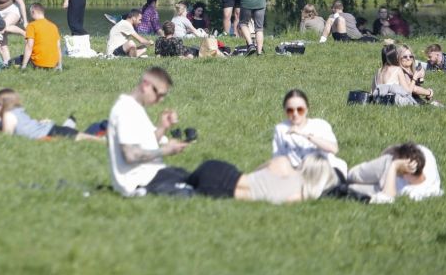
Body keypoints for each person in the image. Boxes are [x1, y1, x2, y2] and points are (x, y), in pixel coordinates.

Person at [107, 67, 336, 202]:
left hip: (157, 173)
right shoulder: (125, 110)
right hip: (141, 182)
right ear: (146, 85)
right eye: (160, 95)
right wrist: (165, 149)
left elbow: (144, 145)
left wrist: (162, 129)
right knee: (200, 188)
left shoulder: (136, 110)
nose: (160, 101)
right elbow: (130, 155)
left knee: (199, 179)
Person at [271, 89, 347, 174]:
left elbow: (333, 149)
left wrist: (303, 134)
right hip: (298, 174)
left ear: (307, 109)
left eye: (300, 110)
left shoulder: (320, 125)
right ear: (285, 111)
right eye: (290, 110)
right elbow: (277, 160)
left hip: (326, 170)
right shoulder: (281, 129)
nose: (295, 114)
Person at [346, 143, 443, 203]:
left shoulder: (413, 193)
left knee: (349, 188)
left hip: (383, 187)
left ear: (407, 174)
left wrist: (394, 166)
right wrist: (391, 156)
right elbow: (395, 148)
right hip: (379, 172)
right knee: (352, 176)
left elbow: (386, 197)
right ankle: (342, 175)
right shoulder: (426, 154)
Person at [0, 89, 100, 141]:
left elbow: (6, 138)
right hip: (49, 129)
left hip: (50, 132)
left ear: (6, 103)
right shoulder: (18, 111)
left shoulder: (8, 115)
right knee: (82, 136)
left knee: (87, 138)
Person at [20, 3, 61, 70]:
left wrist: (23, 66)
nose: (30, 15)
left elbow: (29, 46)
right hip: (53, 64)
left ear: (33, 12)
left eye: (30, 13)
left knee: (12, 62)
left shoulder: (31, 25)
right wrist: (59, 66)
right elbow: (58, 47)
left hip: (38, 63)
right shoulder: (54, 26)